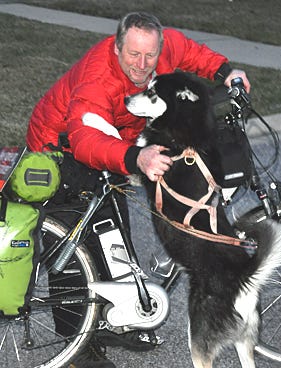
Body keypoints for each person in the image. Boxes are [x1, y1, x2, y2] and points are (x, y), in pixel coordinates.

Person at [26, 11, 250, 368]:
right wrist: (135, 159)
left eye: (150, 56)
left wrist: (226, 72)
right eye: (133, 55)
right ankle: (77, 350)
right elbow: (86, 138)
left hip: (116, 143)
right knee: (73, 248)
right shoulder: (98, 78)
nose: (143, 65)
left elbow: (190, 51)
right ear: (117, 48)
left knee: (112, 231)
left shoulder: (159, 49)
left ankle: (114, 315)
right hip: (60, 146)